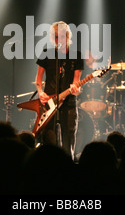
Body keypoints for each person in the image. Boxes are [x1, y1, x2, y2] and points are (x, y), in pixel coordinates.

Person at [35, 21, 84, 159]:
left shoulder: (76, 55)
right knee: (49, 139)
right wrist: (40, 93)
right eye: (56, 37)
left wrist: (75, 88)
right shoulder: (46, 53)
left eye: (62, 36)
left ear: (68, 36)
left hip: (68, 103)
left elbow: (76, 80)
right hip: (48, 103)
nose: (59, 40)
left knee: (68, 139)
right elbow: (38, 79)